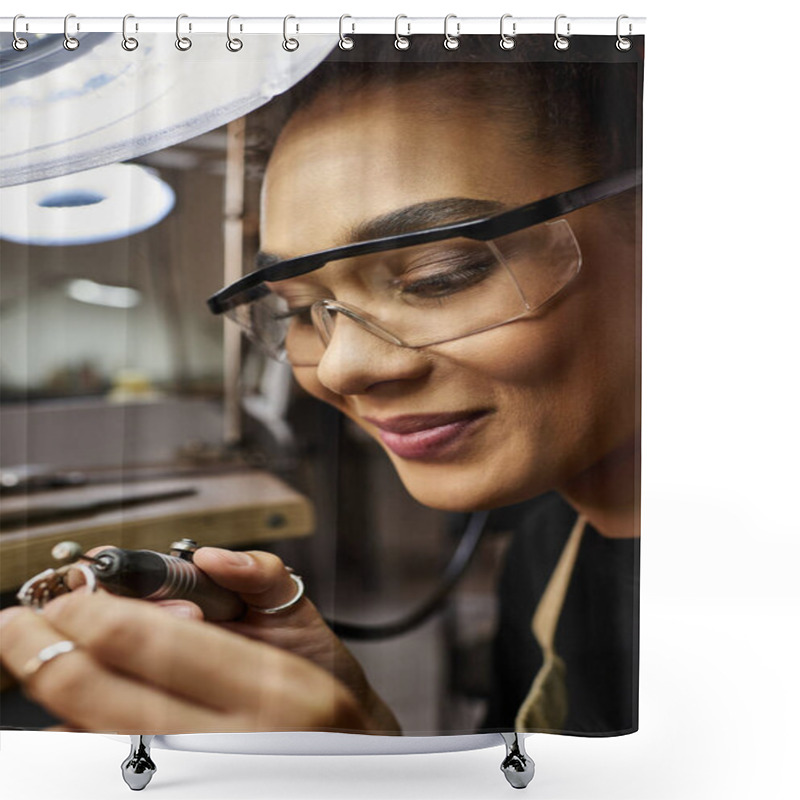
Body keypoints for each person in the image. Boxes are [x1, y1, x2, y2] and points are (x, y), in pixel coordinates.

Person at [0, 36, 641, 736]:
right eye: (299, 311)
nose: (340, 368)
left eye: (439, 276)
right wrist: (362, 739)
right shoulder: (548, 552)